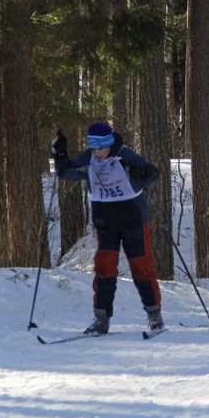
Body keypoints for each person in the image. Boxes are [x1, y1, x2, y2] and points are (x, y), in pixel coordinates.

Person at [51, 122, 164, 335]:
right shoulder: (88, 158)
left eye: (102, 148)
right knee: (104, 269)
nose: (99, 152)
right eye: (94, 148)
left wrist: (141, 172)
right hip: (105, 223)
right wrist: (60, 154)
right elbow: (66, 173)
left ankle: (154, 316)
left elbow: (152, 174)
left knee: (142, 268)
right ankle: (101, 319)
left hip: (134, 220)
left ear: (109, 144)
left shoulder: (124, 154)